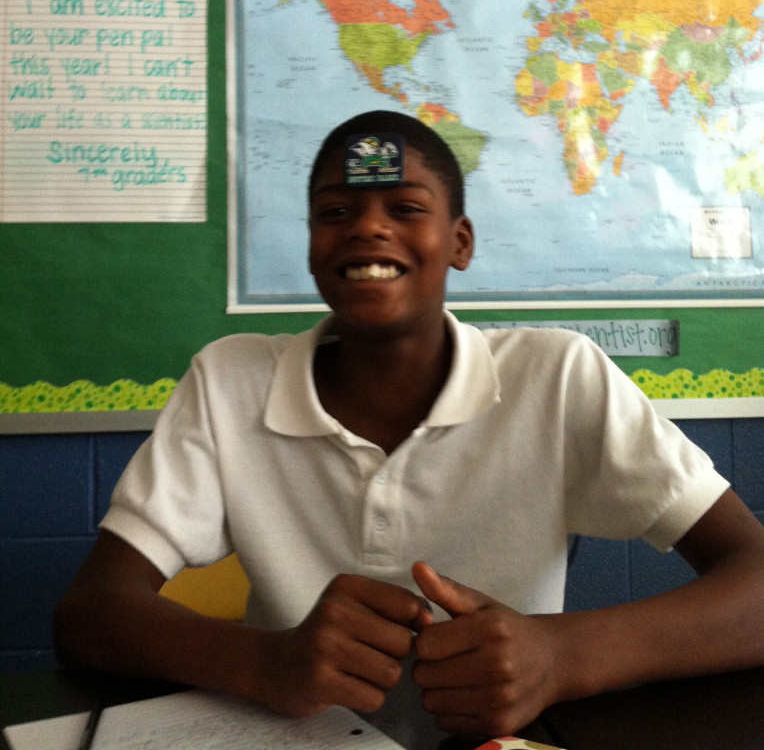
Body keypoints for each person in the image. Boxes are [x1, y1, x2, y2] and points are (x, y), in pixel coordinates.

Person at [54, 109, 764, 740]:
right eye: (335, 211)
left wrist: (561, 656)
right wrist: (266, 660)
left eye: (405, 207)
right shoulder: (228, 381)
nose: (368, 227)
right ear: (312, 244)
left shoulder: (556, 377)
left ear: (460, 242)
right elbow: (89, 611)